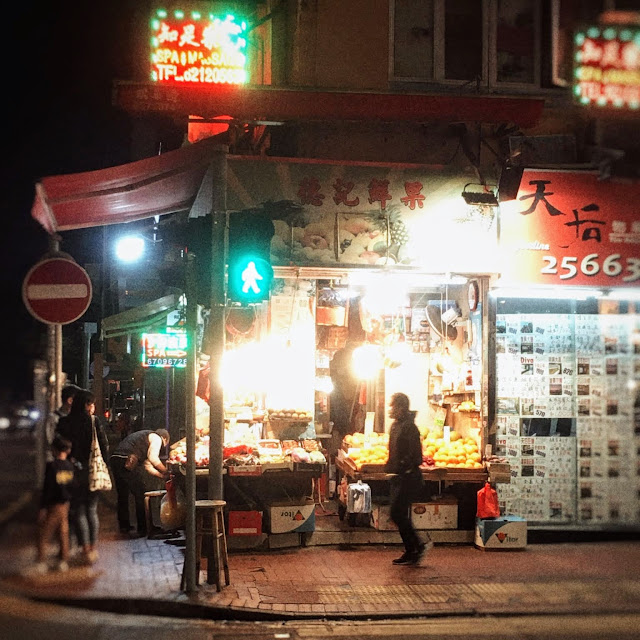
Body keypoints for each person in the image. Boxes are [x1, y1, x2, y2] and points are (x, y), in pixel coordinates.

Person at [56, 389, 109, 565]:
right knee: (91, 509)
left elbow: (58, 445)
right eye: (91, 403)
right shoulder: (94, 422)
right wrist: (105, 467)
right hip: (92, 471)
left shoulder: (64, 422)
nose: (93, 407)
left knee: (77, 510)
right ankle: (91, 548)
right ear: (86, 405)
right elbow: (104, 446)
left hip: (70, 471)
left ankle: (83, 547)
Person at [384, 392, 431, 565]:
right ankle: (414, 548)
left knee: (397, 513)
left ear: (401, 408)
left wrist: (403, 466)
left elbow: (416, 456)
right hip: (398, 477)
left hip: (409, 478)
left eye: (393, 406)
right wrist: (389, 466)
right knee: (398, 514)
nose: (390, 409)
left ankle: (416, 547)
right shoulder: (396, 426)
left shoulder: (410, 428)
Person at [26, 434, 75, 575]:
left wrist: (42, 507)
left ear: (54, 449)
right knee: (63, 532)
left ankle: (41, 562)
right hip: (66, 503)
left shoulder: (52, 467)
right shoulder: (70, 466)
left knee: (43, 533)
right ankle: (63, 562)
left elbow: (48, 488)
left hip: (54, 504)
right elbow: (73, 486)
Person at [110, 428, 170, 537]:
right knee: (141, 493)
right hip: (126, 460)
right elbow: (153, 458)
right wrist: (166, 471)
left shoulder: (143, 439)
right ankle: (144, 527)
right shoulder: (156, 438)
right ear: (164, 439)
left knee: (123, 494)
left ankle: (124, 526)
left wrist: (161, 476)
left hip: (116, 459)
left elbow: (148, 466)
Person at [44, 384, 80, 461]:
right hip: (59, 461)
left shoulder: (76, 418)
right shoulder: (54, 418)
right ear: (70, 400)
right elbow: (50, 440)